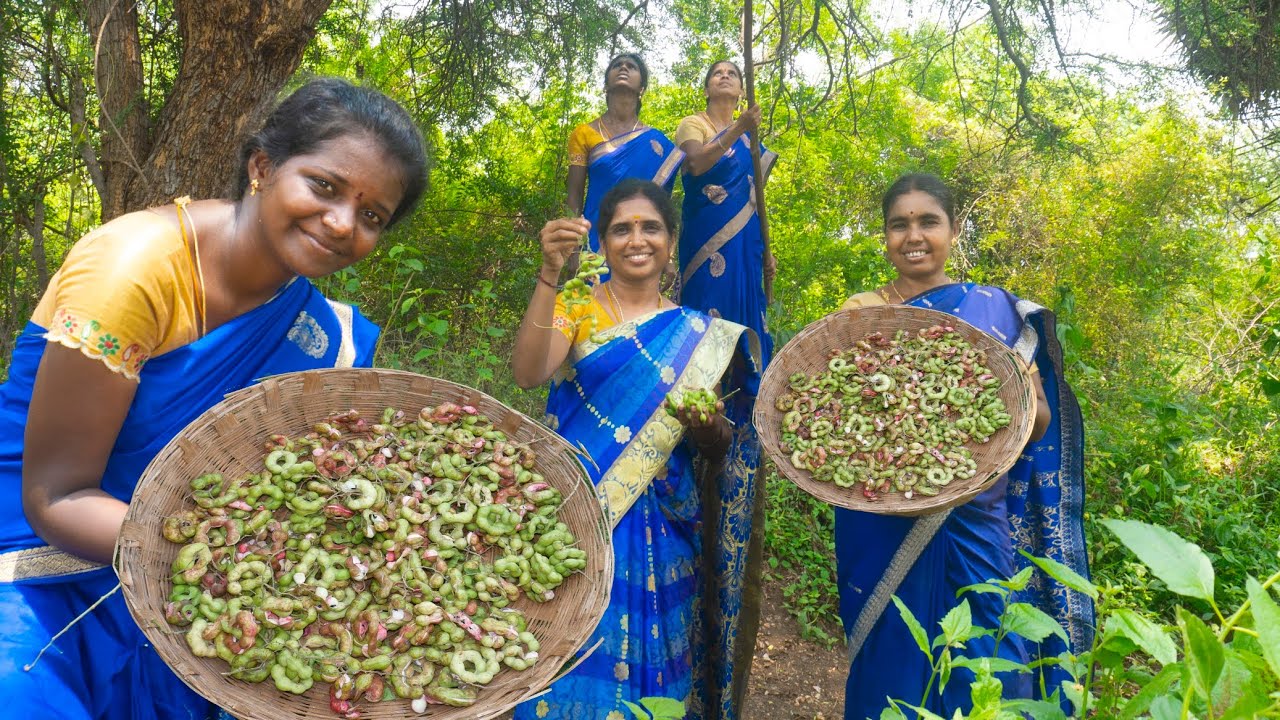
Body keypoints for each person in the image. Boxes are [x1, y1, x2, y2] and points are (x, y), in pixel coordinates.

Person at [0, 77, 428, 719]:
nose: (342, 224)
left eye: (372, 216)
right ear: (262, 166)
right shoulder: (135, 271)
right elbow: (55, 497)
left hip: (194, 569)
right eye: (324, 186)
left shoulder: (323, 333)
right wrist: (231, 555)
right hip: (42, 567)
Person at [834, 173, 1093, 718]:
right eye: (899, 224)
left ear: (953, 230)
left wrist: (1018, 391)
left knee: (986, 656)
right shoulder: (859, 313)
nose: (914, 236)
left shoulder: (993, 313)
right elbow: (832, 419)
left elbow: (1039, 421)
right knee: (890, 663)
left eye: (928, 221)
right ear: (884, 237)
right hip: (883, 512)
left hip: (975, 511)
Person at [511, 178, 765, 719]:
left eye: (651, 227)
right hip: (577, 514)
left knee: (657, 672)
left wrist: (707, 428)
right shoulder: (577, 304)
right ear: (601, 243)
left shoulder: (696, 332)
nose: (636, 239)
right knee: (566, 654)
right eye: (621, 229)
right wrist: (550, 273)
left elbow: (718, 446)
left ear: (671, 241)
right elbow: (529, 373)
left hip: (664, 520)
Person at [675, 60, 777, 367]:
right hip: (704, 239)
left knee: (746, 325)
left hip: (746, 249)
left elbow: (753, 202)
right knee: (707, 319)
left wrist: (766, 251)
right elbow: (695, 164)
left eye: (732, 73)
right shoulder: (694, 124)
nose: (724, 76)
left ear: (742, 91)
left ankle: (746, 409)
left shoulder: (752, 144)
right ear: (707, 89)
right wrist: (739, 127)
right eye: (717, 73)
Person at [566, 53, 684, 257]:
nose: (623, 68)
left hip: (642, 245)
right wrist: (574, 249)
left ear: (641, 89)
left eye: (631, 66)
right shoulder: (584, 134)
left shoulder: (658, 143)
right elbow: (574, 195)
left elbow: (663, 205)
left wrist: (668, 255)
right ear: (605, 86)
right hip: (596, 244)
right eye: (617, 65)